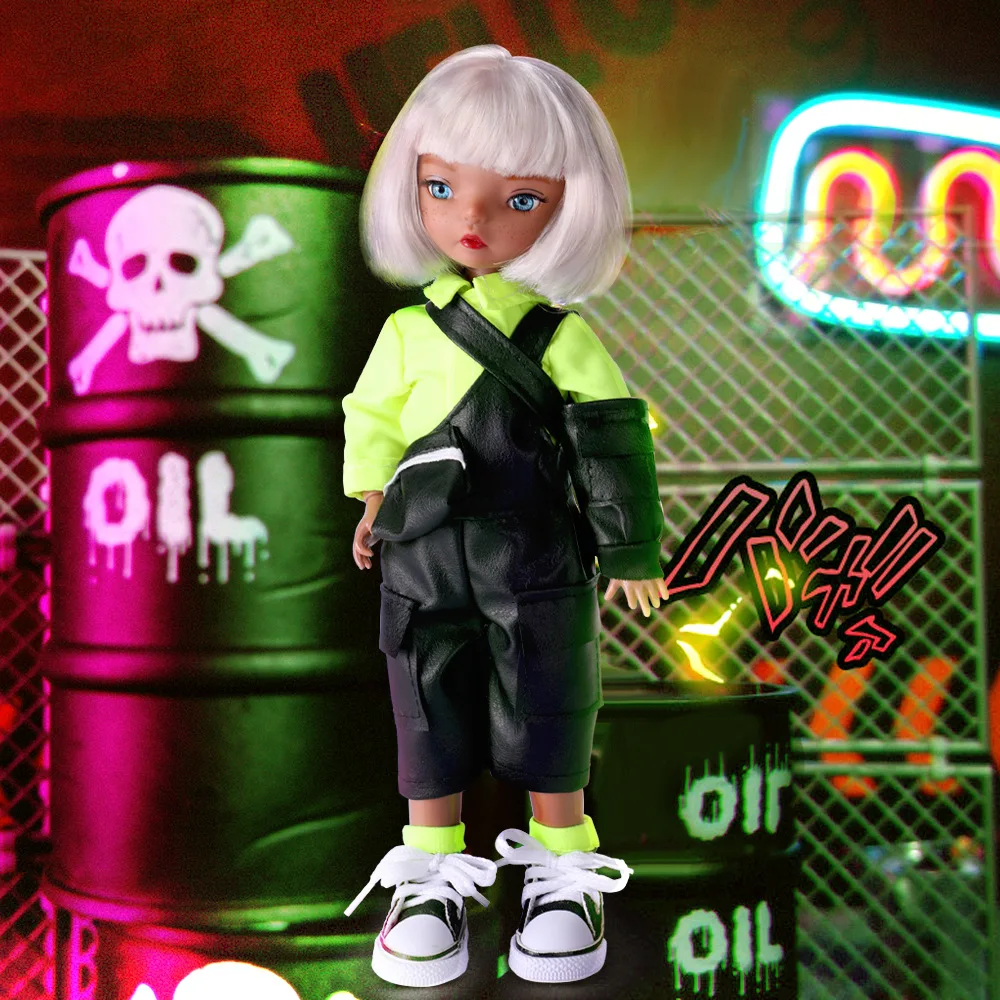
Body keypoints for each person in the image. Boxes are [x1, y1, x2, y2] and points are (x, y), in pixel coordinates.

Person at [341, 45, 667, 988]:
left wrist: (630, 547)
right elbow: (373, 418)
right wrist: (372, 496)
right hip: (422, 551)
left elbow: (611, 438)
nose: (471, 219)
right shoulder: (408, 330)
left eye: (519, 198)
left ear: (570, 207)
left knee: (550, 695)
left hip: (534, 552)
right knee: (425, 699)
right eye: (441, 187)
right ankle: (430, 871)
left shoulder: (561, 336)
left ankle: (563, 868)